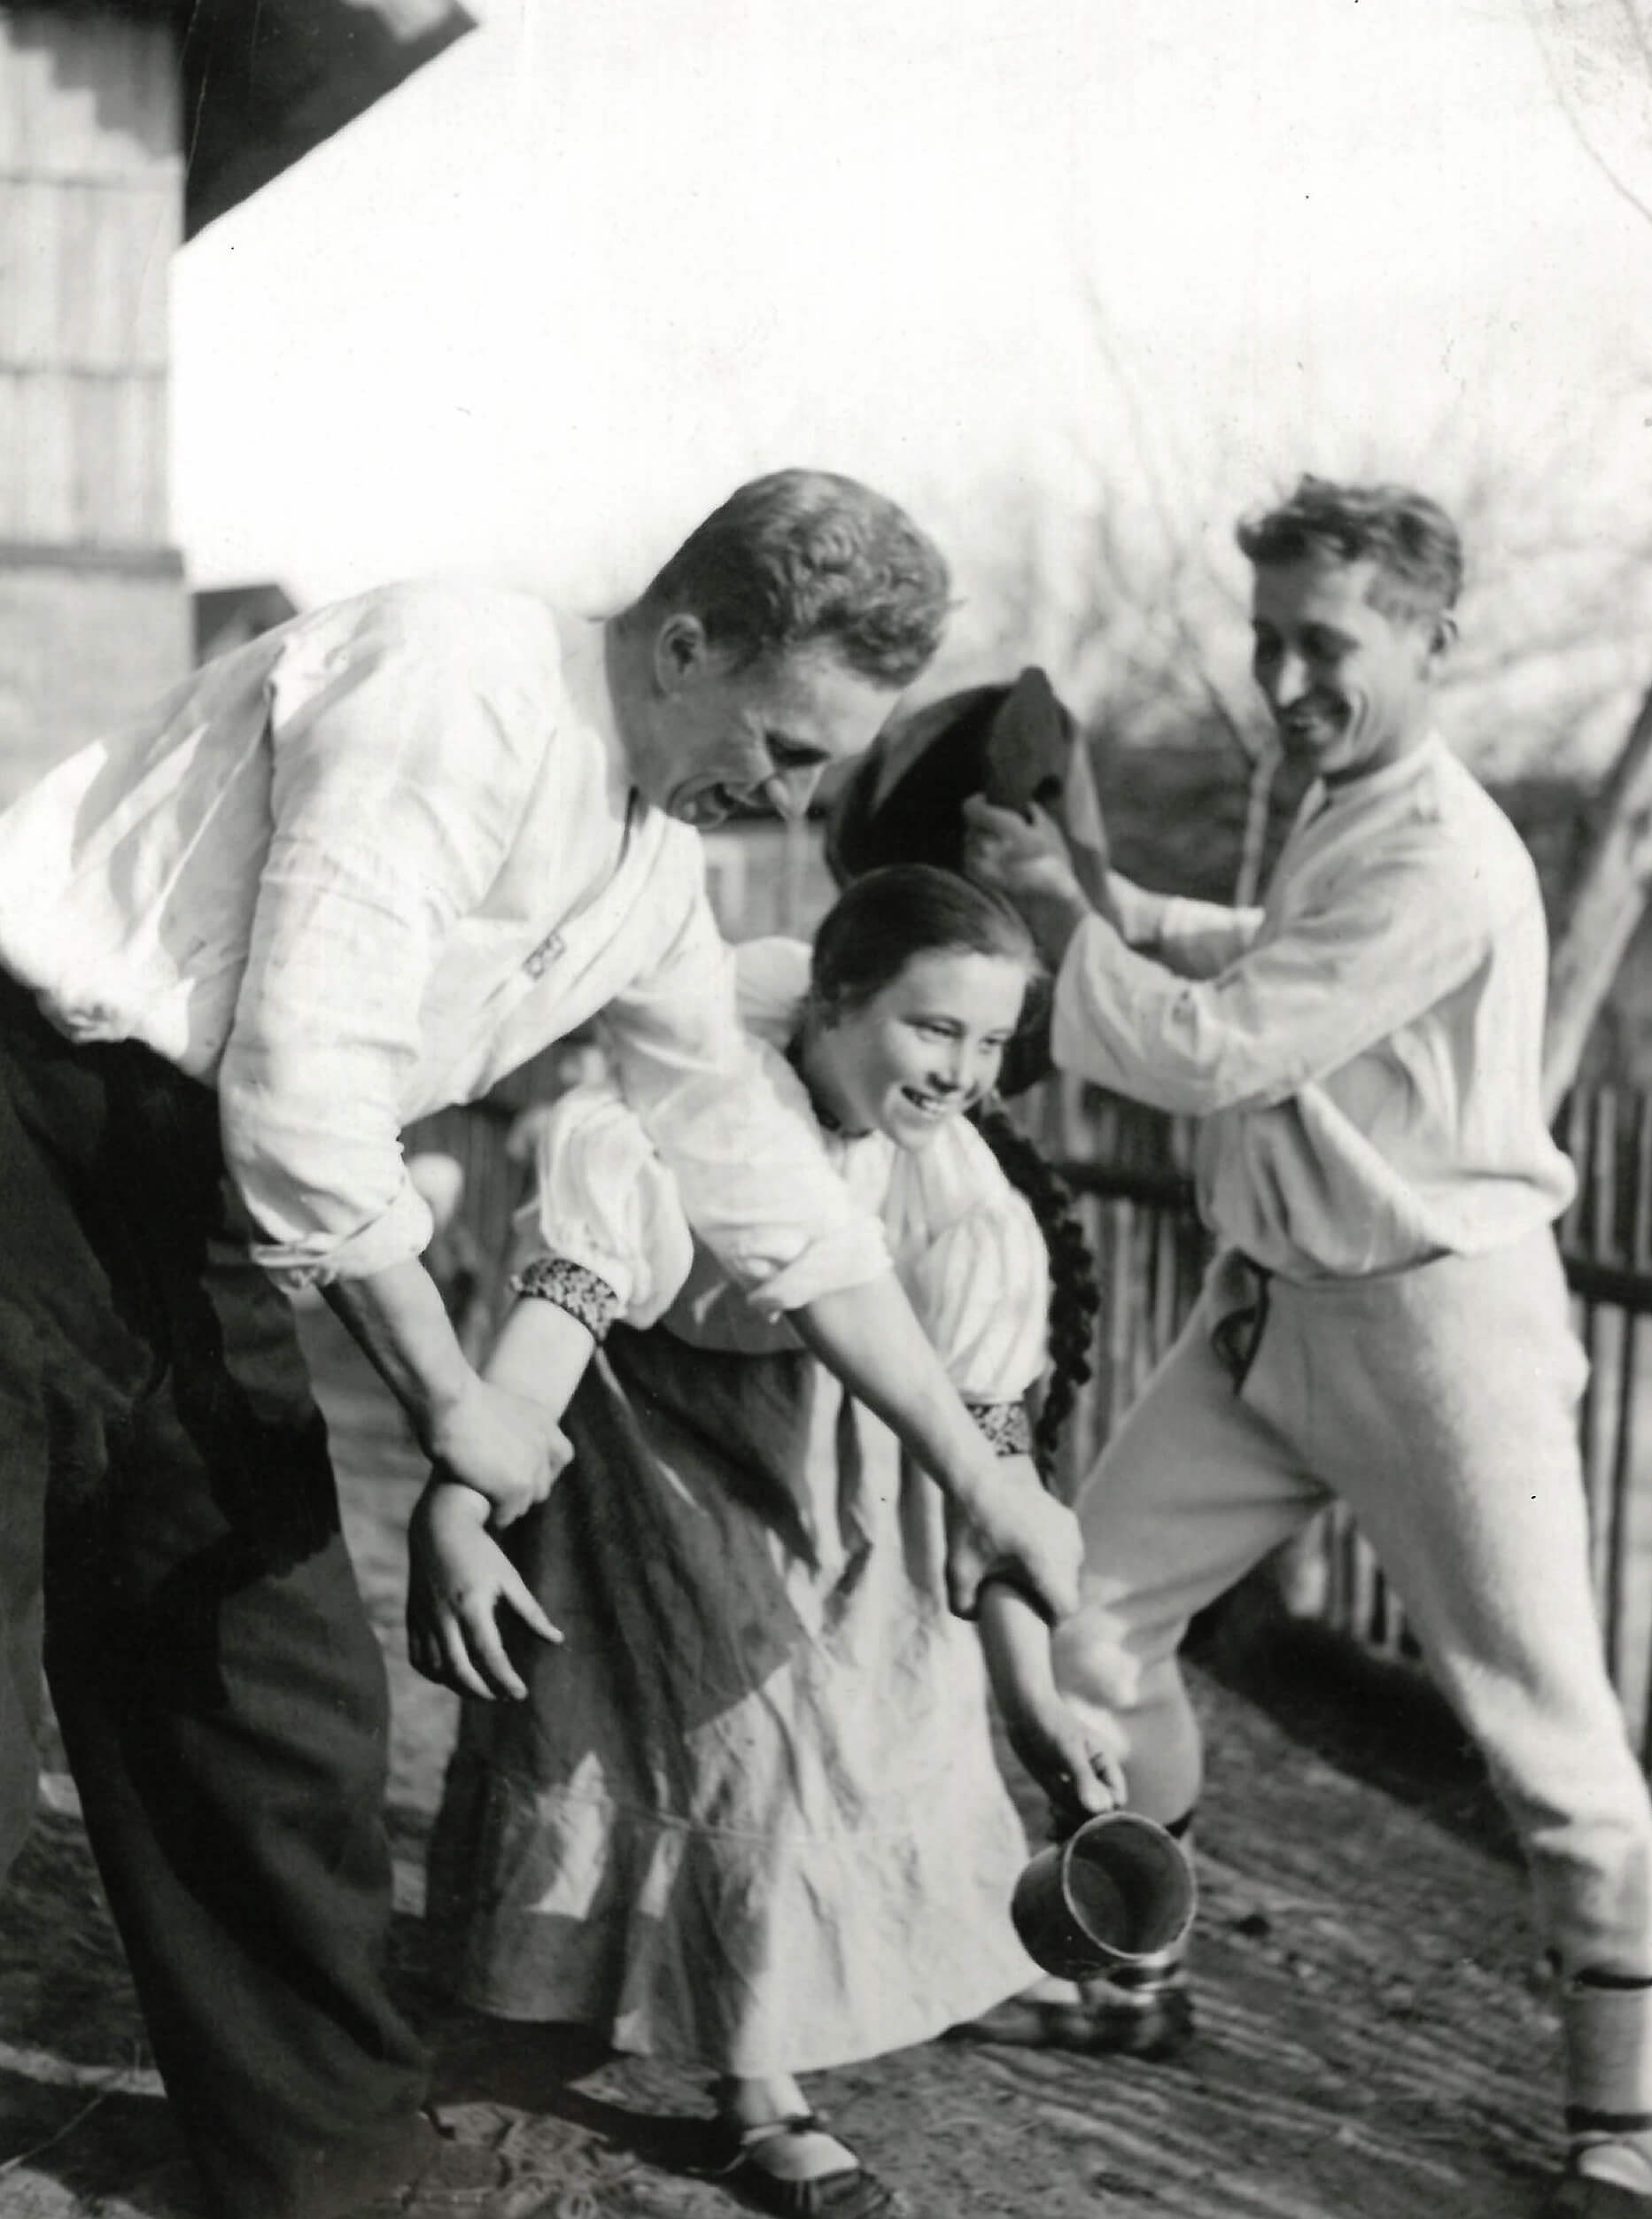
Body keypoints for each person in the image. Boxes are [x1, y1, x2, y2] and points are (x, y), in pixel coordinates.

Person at [0, 471, 1083, 2219]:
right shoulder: (461, 677)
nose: (794, 803)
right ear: (685, 636)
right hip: (29, 1123)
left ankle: (325, 2164)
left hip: (187, 1204)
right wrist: (450, 1398)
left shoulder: (647, 868)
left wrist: (975, 1474)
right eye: (790, 744)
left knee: (270, 1696)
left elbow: (757, 1183)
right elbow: (306, 1087)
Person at [958, 475, 1652, 2218]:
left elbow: (1211, 1049)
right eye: (1265, 639)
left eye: (1321, 642)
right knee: (1082, 1621)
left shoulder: (1445, 845)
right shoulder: (1345, 799)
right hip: (1274, 1304)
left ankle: (1628, 2128)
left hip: (1438, 1327)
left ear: (1434, 634)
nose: (1281, 678)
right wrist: (1100, 890)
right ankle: (1134, 1968)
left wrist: (1062, 913)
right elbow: (1262, 953)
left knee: (1549, 1741)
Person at [416, 866, 1118, 2219]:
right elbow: (551, 1325)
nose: (961, 1073)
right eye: (930, 1030)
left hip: (841, 1442)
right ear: (838, 1002)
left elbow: (995, 1483)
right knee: (721, 1741)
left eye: (987, 1043)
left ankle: (738, 2036)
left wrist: (1036, 1704)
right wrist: (461, 1496)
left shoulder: (963, 1203)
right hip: (643, 1422)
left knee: (839, 1719)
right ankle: (755, 2086)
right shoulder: (664, 1113)